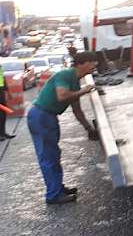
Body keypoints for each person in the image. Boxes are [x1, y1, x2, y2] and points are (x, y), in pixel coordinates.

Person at [27, 51, 98, 204]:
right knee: (48, 156)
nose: (95, 64)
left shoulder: (75, 82)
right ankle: (53, 195)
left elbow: (77, 110)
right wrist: (84, 90)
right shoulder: (65, 74)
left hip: (48, 117)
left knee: (54, 154)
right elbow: (62, 96)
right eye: (91, 61)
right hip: (41, 116)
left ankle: (57, 188)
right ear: (81, 64)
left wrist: (89, 128)